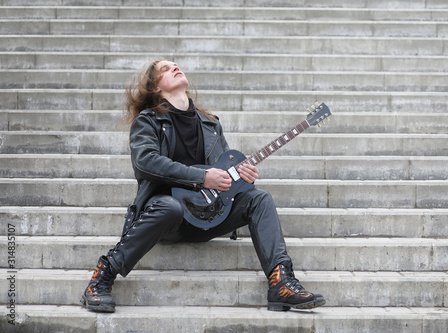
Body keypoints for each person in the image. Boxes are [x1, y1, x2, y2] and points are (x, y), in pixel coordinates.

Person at [80, 59, 325, 313]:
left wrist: (243, 178)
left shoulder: (210, 124)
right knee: (169, 207)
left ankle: (281, 283)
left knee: (259, 198)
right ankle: (102, 277)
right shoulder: (149, 121)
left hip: (208, 215)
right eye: (166, 69)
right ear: (155, 88)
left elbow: (224, 178)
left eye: (175, 65)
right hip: (167, 216)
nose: (175, 67)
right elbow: (145, 162)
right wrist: (201, 178)